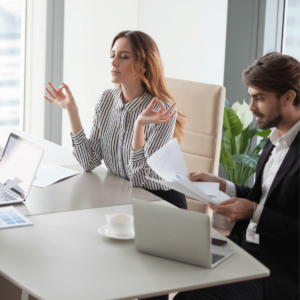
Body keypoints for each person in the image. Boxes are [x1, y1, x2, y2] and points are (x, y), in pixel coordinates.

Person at [144, 52, 300, 300]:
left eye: (259, 98)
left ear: (289, 97)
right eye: (251, 97)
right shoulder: (274, 141)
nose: (251, 107)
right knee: (157, 270)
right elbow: (266, 197)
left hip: (277, 269)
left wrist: (252, 212)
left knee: (193, 298)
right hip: (242, 248)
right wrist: (223, 185)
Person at [44, 30, 187, 209]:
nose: (113, 62)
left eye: (124, 56)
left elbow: (140, 178)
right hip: (125, 196)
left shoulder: (162, 111)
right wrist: (72, 110)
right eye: (112, 55)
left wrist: (139, 126)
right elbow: (88, 162)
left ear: (144, 65)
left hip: (161, 202)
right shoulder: (106, 99)